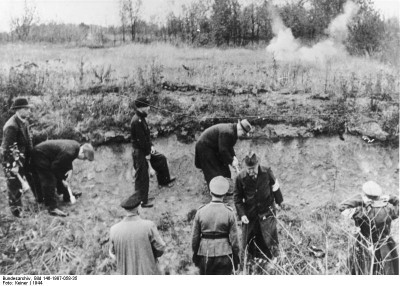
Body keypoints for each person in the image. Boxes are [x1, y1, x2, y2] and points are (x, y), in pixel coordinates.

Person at [233, 151, 283, 267]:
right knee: (249, 239)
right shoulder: (240, 178)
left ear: (258, 165)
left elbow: (275, 186)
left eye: (253, 168)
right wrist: (242, 214)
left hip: (267, 211)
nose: (251, 172)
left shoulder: (266, 172)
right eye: (248, 169)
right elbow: (237, 199)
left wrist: (279, 202)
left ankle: (274, 260)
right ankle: (251, 262)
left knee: (270, 236)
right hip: (250, 214)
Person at [339, 181, 399, 275]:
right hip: (386, 246)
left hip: (365, 245)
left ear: (365, 195)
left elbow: (342, 207)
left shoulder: (362, 212)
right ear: (379, 195)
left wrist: (360, 199)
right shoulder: (389, 210)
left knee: (363, 270)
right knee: (387, 270)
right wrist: (391, 198)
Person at [130, 97, 175, 208]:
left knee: (161, 159)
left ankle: (164, 181)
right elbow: (141, 141)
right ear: (141, 108)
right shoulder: (137, 121)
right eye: (147, 106)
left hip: (145, 148)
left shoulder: (141, 118)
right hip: (139, 151)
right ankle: (141, 201)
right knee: (142, 176)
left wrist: (151, 146)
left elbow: (146, 137)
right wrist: (147, 154)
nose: (149, 108)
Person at [31, 139, 94, 217]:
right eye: (85, 158)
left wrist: (70, 169)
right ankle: (52, 207)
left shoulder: (76, 147)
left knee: (62, 175)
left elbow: (67, 159)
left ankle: (67, 195)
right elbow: (54, 167)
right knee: (50, 180)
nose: (84, 160)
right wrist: (62, 179)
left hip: (47, 154)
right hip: (40, 154)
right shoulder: (70, 152)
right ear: (82, 152)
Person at [191, 176, 240, 275]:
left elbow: (195, 239)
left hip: (205, 254)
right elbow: (235, 241)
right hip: (224, 254)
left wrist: (195, 254)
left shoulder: (200, 212)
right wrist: (236, 257)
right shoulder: (229, 213)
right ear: (225, 194)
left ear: (210, 192)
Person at [109, 192, 166, 275]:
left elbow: (112, 254)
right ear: (139, 207)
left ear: (125, 209)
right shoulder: (149, 226)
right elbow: (161, 247)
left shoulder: (114, 230)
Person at [1, 97, 39, 217]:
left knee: (31, 179)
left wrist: (32, 155)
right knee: (14, 186)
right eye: (26, 109)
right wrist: (13, 165)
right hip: (11, 162)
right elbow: (6, 149)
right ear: (19, 110)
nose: (29, 111)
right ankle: (17, 213)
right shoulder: (11, 126)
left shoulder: (25, 122)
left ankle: (38, 200)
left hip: (23, 159)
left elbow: (28, 141)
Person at [194, 119, 252, 188]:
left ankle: (225, 189)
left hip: (214, 148)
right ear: (240, 129)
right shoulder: (228, 132)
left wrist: (234, 157)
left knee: (225, 170)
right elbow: (223, 150)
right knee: (213, 171)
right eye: (243, 134)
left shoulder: (233, 131)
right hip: (204, 147)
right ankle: (215, 193)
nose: (243, 135)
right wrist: (231, 161)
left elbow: (229, 146)